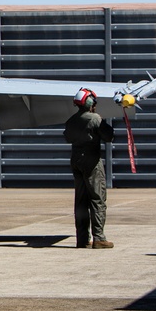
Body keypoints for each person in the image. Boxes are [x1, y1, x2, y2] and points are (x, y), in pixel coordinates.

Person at [63, 88, 115, 249]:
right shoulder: (95, 118)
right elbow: (109, 136)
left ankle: (82, 239)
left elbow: (67, 137)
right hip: (91, 162)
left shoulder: (71, 120)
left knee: (80, 201)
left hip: (76, 161)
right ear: (90, 102)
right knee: (97, 199)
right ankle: (99, 238)